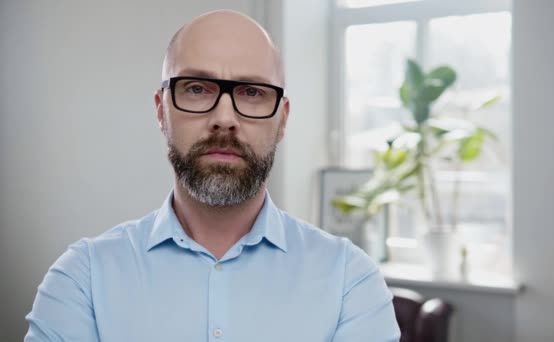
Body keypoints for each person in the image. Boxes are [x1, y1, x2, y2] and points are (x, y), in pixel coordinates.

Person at [25, 10, 400, 341]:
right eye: (196, 88)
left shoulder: (350, 282)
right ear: (161, 111)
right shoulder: (83, 280)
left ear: (282, 119)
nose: (224, 118)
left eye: (252, 92)